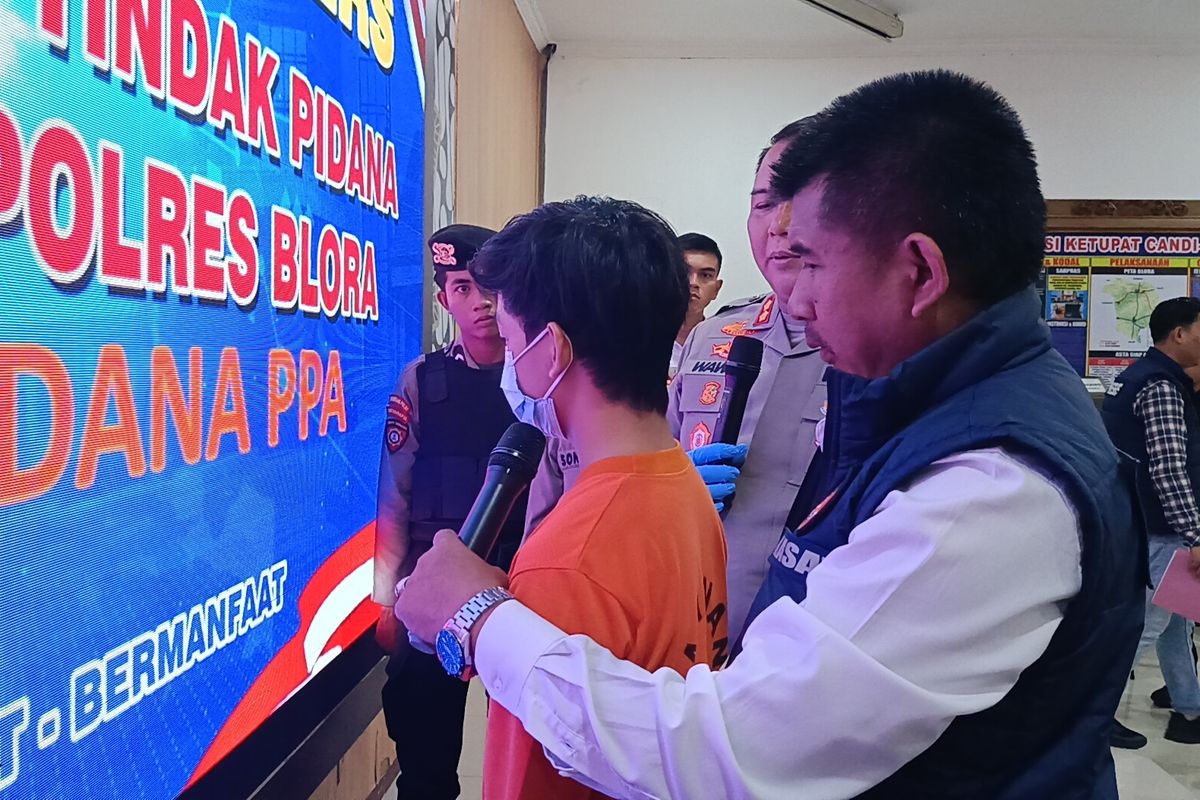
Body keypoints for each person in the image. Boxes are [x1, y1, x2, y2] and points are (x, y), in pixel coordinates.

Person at [396, 70, 1144, 799]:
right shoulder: (915, 408)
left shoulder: (990, 484)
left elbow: (734, 752)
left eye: (810, 261)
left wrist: (479, 619)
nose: (794, 296)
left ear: (920, 272)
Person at [456, 196, 728, 799]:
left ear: (551, 350)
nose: (510, 366)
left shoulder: (566, 560)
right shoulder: (682, 484)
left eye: (511, 341)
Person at [373, 224, 529, 799]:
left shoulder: (541, 377)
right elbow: (394, 497)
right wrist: (385, 600)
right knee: (425, 760)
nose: (480, 302)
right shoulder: (421, 380)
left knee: (529, 756)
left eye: (489, 287)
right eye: (463, 288)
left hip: (523, 583)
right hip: (431, 586)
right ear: (445, 300)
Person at [672, 119, 828, 643]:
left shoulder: (882, 354)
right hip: (688, 615)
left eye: (802, 200)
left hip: (809, 634)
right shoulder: (713, 336)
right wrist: (676, 486)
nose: (779, 224)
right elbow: (658, 457)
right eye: (764, 203)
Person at [1102, 297, 1200, 748]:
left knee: (1174, 620)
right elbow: (1168, 469)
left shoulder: (1139, 376)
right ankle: (1093, 715)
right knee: (1145, 626)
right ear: (1180, 334)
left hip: (1141, 522)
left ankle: (1189, 702)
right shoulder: (1161, 387)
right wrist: (1194, 534)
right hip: (1162, 529)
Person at [669, 232, 724, 380]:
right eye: (684, 272)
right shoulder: (637, 341)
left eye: (705, 275)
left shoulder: (725, 347)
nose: (693, 283)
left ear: (716, 289)